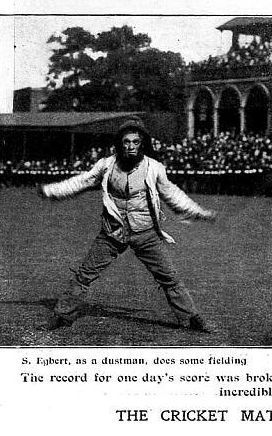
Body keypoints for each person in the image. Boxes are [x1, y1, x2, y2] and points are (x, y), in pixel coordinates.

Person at [39, 119, 216, 332]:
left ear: (142, 144)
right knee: (85, 274)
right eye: (126, 142)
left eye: (135, 142)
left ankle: (191, 318)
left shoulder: (154, 168)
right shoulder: (107, 165)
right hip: (113, 232)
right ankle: (62, 315)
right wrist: (51, 190)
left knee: (169, 277)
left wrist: (198, 212)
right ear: (120, 143)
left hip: (145, 233)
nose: (131, 146)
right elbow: (82, 181)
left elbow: (172, 193)